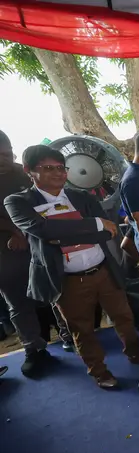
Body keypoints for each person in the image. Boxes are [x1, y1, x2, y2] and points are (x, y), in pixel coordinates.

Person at [5, 145, 139, 388]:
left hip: (102, 270)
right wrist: (92, 224)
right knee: (81, 329)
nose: (58, 173)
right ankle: (99, 371)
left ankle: (135, 352)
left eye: (62, 168)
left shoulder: (81, 197)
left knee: (123, 316)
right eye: (48, 168)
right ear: (29, 171)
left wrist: (63, 234)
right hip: (67, 280)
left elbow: (108, 232)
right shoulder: (18, 202)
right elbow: (42, 230)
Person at [0, 130, 51, 377]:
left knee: (51, 293)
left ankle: (66, 338)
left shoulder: (25, 172)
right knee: (18, 302)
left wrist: (22, 231)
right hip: (5, 256)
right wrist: (12, 229)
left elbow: (48, 201)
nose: (5, 160)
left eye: (8, 153)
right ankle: (34, 349)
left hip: (38, 244)